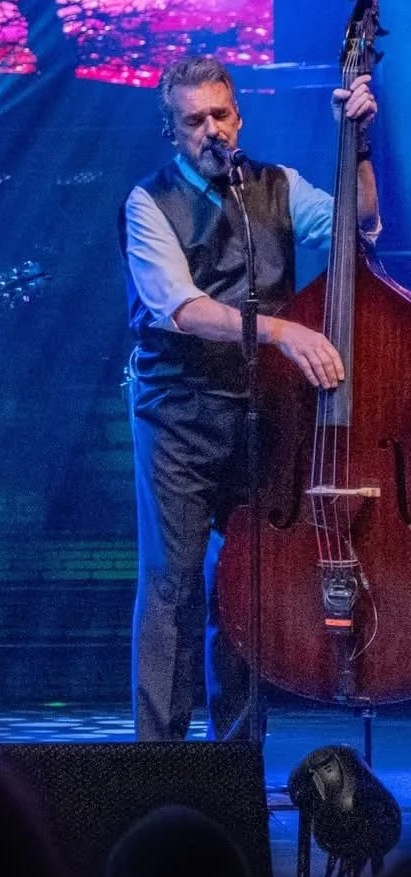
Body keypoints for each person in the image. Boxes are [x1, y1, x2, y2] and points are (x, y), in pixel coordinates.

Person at [120, 55, 379, 741]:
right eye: (193, 121)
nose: (210, 130)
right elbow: (181, 308)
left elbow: (361, 222)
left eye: (219, 115)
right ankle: (157, 760)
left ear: (238, 116)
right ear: (172, 132)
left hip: (258, 412)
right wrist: (283, 331)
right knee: (172, 585)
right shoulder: (148, 202)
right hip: (177, 412)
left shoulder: (274, 185)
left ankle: (233, 757)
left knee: (244, 584)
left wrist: (358, 144)